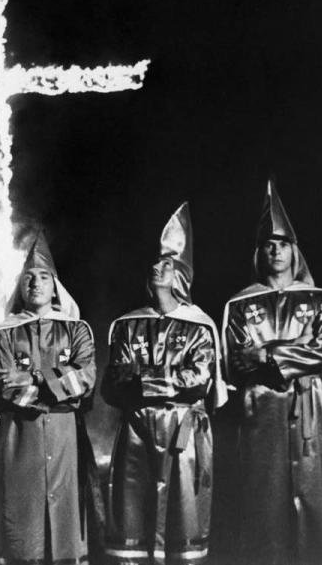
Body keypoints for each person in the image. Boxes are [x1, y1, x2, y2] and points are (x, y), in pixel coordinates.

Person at [222, 180, 322, 565]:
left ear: (295, 251)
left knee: (316, 495)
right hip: (261, 409)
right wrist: (294, 349)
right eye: (268, 244)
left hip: (311, 407)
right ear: (259, 252)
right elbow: (238, 360)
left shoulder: (319, 299)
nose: (276, 250)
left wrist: (268, 352)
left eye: (283, 243)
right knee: (264, 496)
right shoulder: (240, 305)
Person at [101, 202, 226, 565]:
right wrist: (163, 382)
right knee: (132, 508)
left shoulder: (199, 326)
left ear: (181, 275)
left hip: (182, 430)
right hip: (138, 428)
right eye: (156, 263)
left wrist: (147, 381)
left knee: (182, 509)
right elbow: (118, 376)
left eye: (167, 265)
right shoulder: (126, 324)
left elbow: (198, 378)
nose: (158, 268)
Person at [0, 231, 97, 565]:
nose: (35, 284)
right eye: (28, 278)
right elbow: (6, 388)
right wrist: (57, 386)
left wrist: (35, 379)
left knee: (65, 516)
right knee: (21, 518)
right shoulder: (4, 333)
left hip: (65, 437)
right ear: (20, 288)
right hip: (18, 437)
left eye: (42, 277)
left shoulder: (77, 329)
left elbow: (85, 378)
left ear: (55, 286)